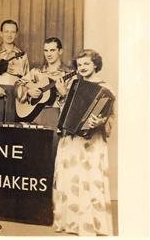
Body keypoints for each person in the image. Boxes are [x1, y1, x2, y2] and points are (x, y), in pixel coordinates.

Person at [52, 49, 114, 236]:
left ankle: (89, 224)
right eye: (80, 65)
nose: (83, 68)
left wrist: (100, 122)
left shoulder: (106, 89)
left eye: (87, 64)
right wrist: (62, 95)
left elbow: (110, 116)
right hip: (71, 140)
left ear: (95, 64)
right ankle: (70, 223)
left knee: (88, 178)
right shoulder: (73, 85)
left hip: (91, 140)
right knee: (71, 177)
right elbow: (64, 114)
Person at [15, 37, 72, 129]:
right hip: (34, 116)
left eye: (52, 50)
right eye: (46, 50)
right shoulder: (36, 71)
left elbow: (73, 105)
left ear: (60, 51)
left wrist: (64, 94)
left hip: (55, 117)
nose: (48, 54)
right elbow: (18, 83)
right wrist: (28, 92)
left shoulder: (69, 74)